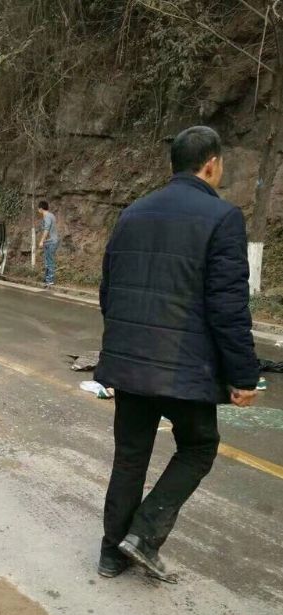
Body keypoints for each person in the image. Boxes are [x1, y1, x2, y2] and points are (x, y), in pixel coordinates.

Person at [95, 126, 258, 582]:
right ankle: (143, 535)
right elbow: (228, 307)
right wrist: (243, 376)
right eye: (221, 163)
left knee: (130, 456)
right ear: (210, 164)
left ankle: (111, 555)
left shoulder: (132, 213)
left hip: (131, 365)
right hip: (186, 368)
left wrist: (124, 347)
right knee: (199, 446)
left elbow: (109, 291)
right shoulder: (222, 217)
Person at [38, 200, 59, 286]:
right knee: (48, 260)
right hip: (52, 241)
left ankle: (50, 280)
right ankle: (47, 279)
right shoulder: (52, 215)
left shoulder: (47, 217)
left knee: (49, 261)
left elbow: (46, 229)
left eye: (38, 209)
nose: (38, 211)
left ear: (41, 208)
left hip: (50, 242)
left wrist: (41, 241)